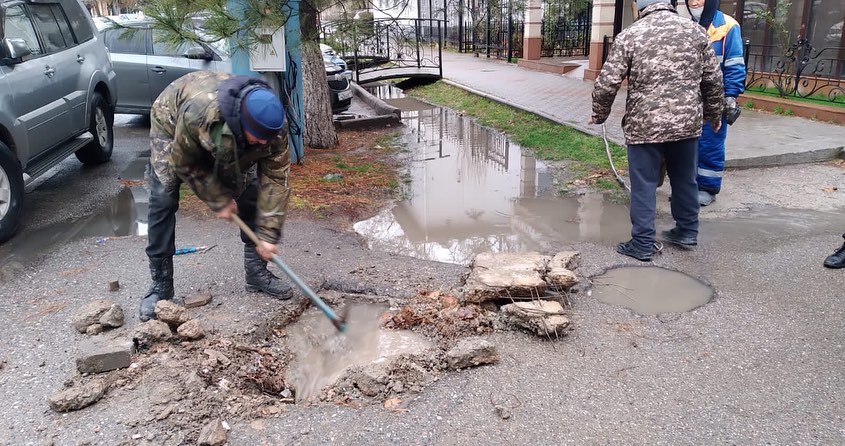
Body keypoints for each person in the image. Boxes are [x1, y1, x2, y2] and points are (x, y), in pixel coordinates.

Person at [140, 71, 293, 321]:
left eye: (269, 139)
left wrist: (268, 233)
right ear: (243, 125)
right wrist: (217, 198)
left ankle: (256, 274)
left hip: (226, 129)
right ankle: (161, 286)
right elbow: (185, 162)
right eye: (259, 139)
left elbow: (276, 180)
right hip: (172, 122)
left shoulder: (273, 129)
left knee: (251, 189)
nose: (265, 144)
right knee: (163, 197)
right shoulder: (200, 115)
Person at [590, 0, 724, 261]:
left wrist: (599, 113)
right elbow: (713, 79)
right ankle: (687, 231)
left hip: (645, 125)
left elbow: (607, 82)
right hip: (686, 125)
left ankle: (642, 243)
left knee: (644, 184)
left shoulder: (630, 35)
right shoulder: (695, 32)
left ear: (641, 5)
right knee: (685, 179)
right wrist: (714, 114)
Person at [686, 0, 746, 206]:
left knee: (710, 143)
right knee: (687, 146)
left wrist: (730, 96)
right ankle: (688, 187)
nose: (694, 2)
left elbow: (735, 64)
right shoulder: (685, 25)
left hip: (714, 98)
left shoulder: (728, 26)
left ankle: (707, 188)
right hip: (688, 100)